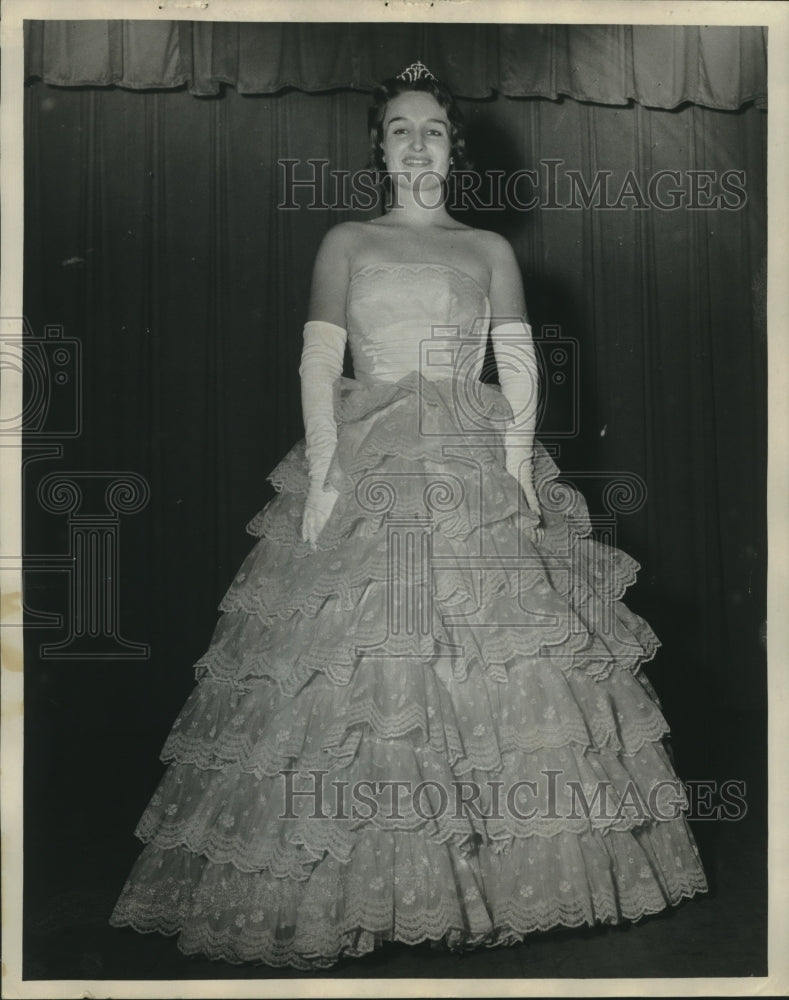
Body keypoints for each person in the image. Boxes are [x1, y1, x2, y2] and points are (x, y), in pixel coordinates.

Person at [110, 63, 708, 969]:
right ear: (380, 148)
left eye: (432, 128)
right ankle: (358, 886)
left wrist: (513, 473)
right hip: (370, 459)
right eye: (400, 128)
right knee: (360, 679)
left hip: (470, 468)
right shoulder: (346, 239)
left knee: (494, 667)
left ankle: (496, 879)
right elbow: (320, 361)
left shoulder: (488, 251)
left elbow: (519, 368)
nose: (417, 142)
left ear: (452, 148)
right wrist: (324, 476)